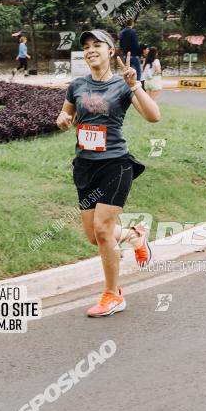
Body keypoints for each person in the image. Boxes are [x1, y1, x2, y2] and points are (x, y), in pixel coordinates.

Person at [56, 28, 161, 318]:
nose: (91, 50)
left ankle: (113, 295)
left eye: (97, 45)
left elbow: (154, 116)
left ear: (111, 51)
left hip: (115, 164)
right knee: (94, 236)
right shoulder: (76, 85)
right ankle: (135, 235)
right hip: (85, 166)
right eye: (86, 46)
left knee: (103, 230)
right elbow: (65, 117)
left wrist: (136, 85)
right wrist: (63, 121)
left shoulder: (123, 85)